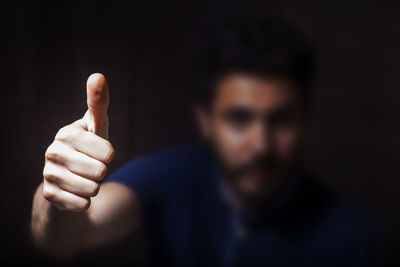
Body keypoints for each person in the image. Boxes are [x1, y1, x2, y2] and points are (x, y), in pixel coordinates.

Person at [31, 18, 380, 266]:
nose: (261, 145)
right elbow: (63, 240)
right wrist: (59, 198)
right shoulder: (174, 177)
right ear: (205, 120)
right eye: (239, 119)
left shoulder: (350, 235)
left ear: (305, 119)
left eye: (280, 120)